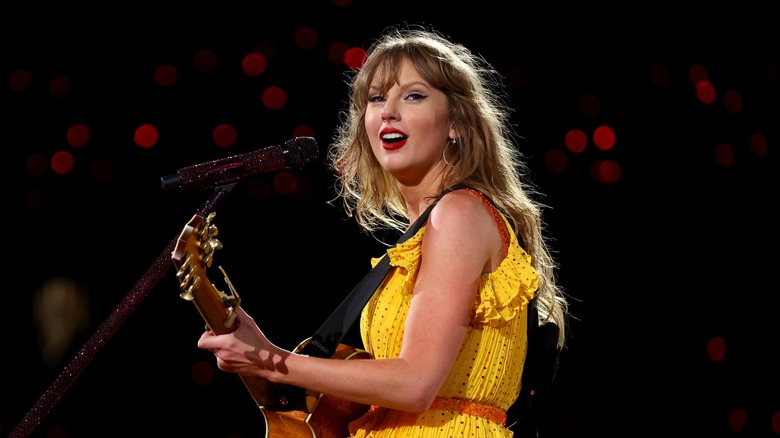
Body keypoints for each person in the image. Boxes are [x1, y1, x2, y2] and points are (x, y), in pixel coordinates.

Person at [196, 25, 569, 437]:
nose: (388, 110)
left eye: (413, 95)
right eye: (376, 98)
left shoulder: (460, 213)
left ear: (456, 123)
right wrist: (260, 353)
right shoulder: (426, 234)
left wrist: (271, 360)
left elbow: (415, 384)